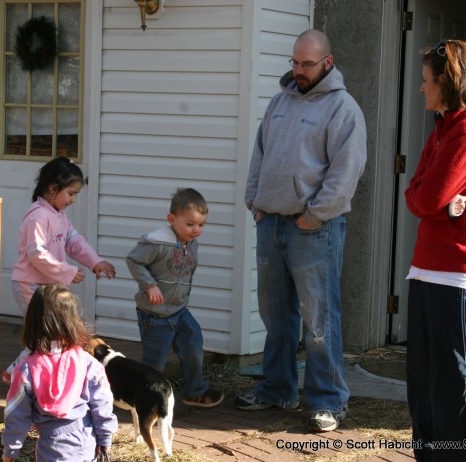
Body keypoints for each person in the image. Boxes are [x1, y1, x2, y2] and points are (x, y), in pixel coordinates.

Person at [237, 29, 367, 433]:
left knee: (318, 318)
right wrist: (255, 202)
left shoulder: (343, 108)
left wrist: (314, 216)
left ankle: (328, 401)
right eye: (294, 62)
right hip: (271, 222)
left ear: (328, 62)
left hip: (315, 230)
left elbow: (346, 172)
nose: (298, 70)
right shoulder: (279, 101)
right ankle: (278, 389)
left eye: (307, 64)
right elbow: (259, 153)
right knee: (276, 315)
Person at [405, 39, 466, 462]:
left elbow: (426, 199)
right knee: (424, 390)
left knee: (454, 391)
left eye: (427, 81)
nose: (421, 89)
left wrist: (434, 202)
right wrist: (436, 203)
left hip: (461, 277)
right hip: (427, 272)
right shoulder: (442, 129)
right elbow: (414, 195)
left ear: (448, 81)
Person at [4, 156, 116, 381]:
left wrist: (95, 261)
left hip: (49, 286)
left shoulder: (59, 215)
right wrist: (67, 271)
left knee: (52, 334)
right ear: (52, 188)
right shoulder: (37, 216)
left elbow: (74, 241)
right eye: (71, 193)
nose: (73, 200)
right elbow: (37, 253)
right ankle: (16, 373)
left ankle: (39, 374)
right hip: (30, 285)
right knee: (43, 334)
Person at [126, 188, 224, 408]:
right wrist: (150, 284)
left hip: (180, 311)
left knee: (193, 345)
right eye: (190, 224)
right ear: (172, 219)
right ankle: (145, 400)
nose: (196, 230)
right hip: (155, 315)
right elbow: (134, 260)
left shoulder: (191, 243)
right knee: (155, 361)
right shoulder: (157, 242)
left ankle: (194, 392)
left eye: (201, 225)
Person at [1, 284, 118, 462]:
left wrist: (11, 449)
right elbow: (102, 402)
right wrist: (105, 437)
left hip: (54, 446)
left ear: (33, 320)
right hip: (88, 439)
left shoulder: (26, 369)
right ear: (72, 320)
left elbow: (16, 413)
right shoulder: (88, 362)